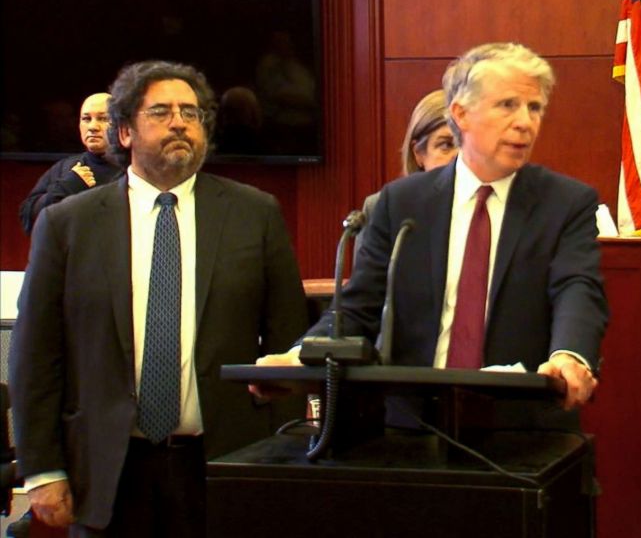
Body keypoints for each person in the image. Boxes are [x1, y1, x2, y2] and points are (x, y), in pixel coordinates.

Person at [9, 61, 309, 537]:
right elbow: (35, 355)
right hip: (106, 473)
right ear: (124, 131)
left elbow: (288, 345)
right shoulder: (68, 223)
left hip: (222, 463)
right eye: (162, 112)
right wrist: (43, 470)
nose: (180, 124)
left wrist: (283, 461)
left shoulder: (255, 214)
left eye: (191, 113)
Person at [261, 42, 607, 419]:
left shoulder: (565, 203)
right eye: (508, 105)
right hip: (413, 425)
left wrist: (569, 356)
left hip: (523, 424)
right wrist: (299, 357)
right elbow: (360, 307)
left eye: (535, 107)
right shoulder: (402, 203)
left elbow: (578, 288)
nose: (526, 121)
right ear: (461, 114)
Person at [354, 89, 458, 259]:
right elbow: (368, 283)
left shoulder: (487, 207)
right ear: (418, 154)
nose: (458, 156)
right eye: (446, 145)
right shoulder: (382, 208)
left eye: (466, 145)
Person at [18, 93, 121, 235]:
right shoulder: (66, 168)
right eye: (86, 119)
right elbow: (29, 218)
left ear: (122, 124)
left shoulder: (136, 169)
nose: (92, 126)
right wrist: (65, 188)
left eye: (103, 119)